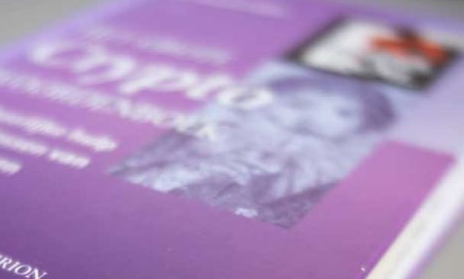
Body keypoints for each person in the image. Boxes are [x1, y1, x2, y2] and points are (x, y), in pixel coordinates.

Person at [111, 68, 397, 227]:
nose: (315, 117)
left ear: (362, 127)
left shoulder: (327, 169)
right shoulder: (211, 132)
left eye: (343, 113)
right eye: (299, 104)